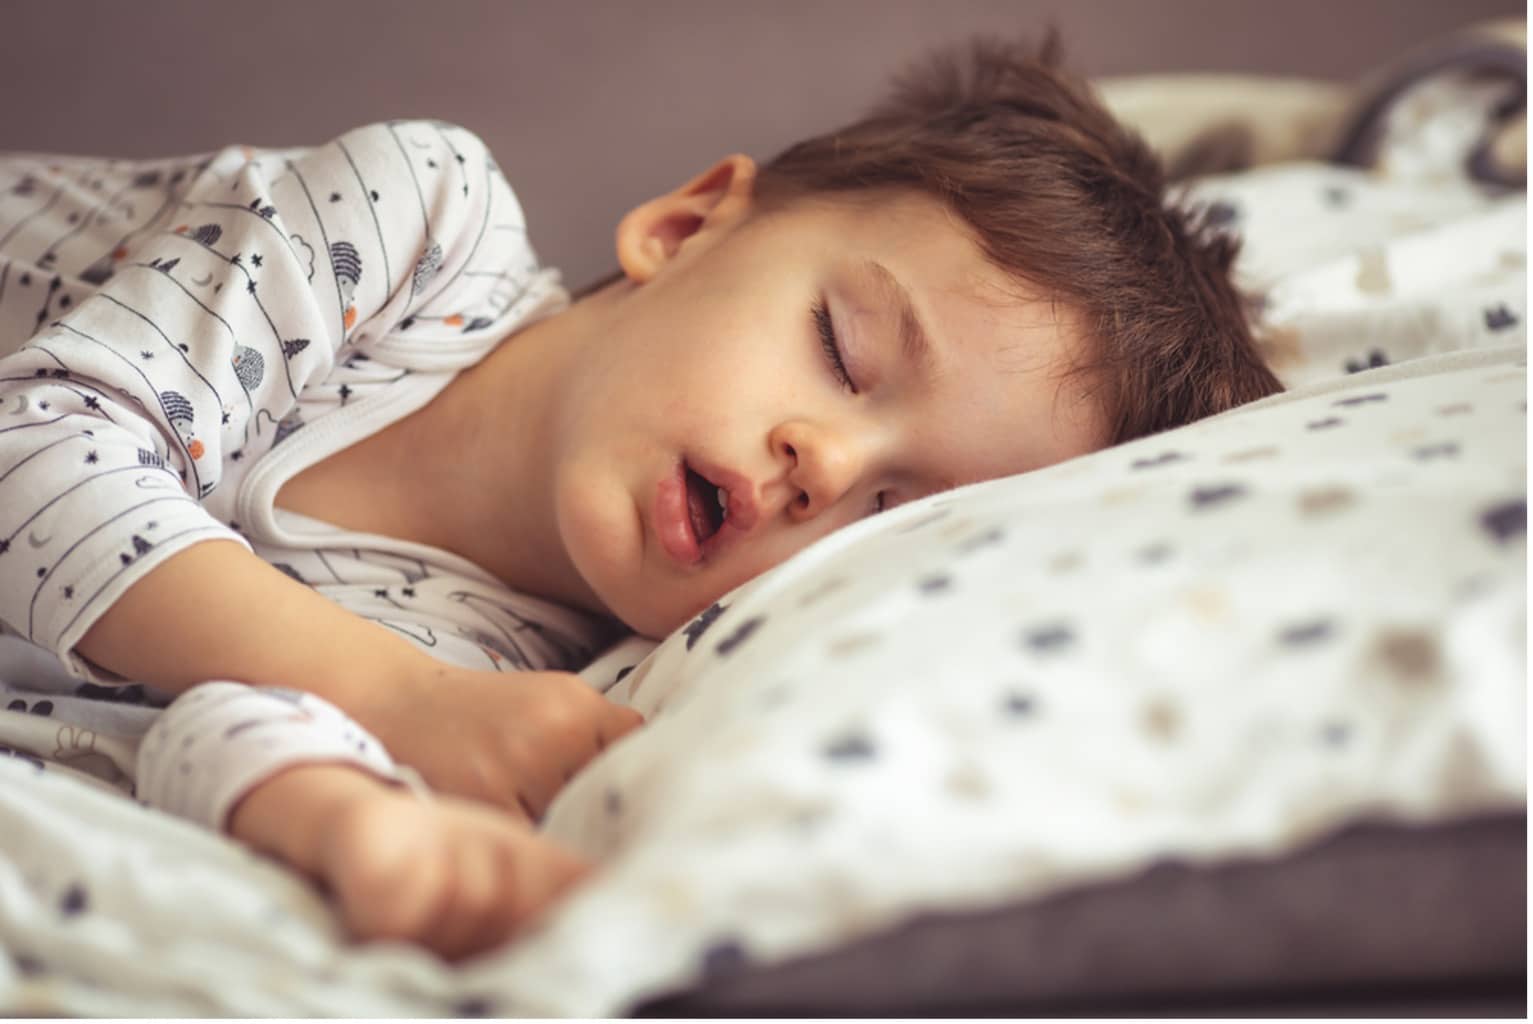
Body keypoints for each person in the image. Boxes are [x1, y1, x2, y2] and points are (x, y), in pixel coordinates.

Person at [0, 33, 1280, 960]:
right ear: (685, 227)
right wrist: (400, 701)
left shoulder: (522, 664)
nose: (824, 468)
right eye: (842, 350)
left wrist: (349, 817)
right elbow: (38, 451)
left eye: (897, 510)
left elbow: (202, 721)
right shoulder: (410, 229)